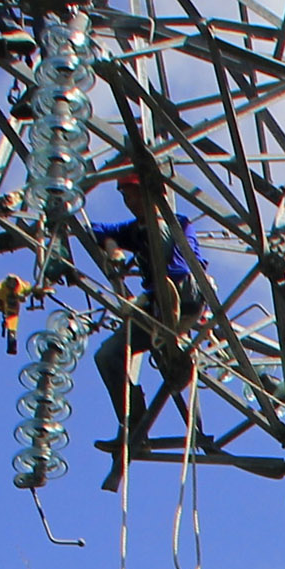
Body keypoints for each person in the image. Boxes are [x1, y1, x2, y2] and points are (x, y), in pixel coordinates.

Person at [86, 158, 210, 491]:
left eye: (134, 195)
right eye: (126, 197)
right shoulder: (134, 230)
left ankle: (171, 326)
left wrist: (153, 295)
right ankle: (133, 422)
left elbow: (182, 263)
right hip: (156, 309)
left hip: (183, 295)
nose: (130, 202)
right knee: (107, 356)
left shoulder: (175, 223)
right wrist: (111, 247)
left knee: (162, 243)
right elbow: (95, 230)